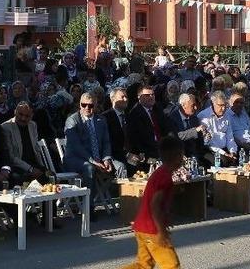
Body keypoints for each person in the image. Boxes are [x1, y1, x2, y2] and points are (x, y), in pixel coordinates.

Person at [120, 135, 184, 269]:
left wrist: (166, 218)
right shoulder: (164, 177)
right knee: (171, 265)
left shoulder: (160, 173)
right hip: (152, 230)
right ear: (178, 156)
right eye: (182, 156)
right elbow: (154, 205)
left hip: (141, 227)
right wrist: (160, 231)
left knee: (143, 265)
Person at [64, 92, 125, 195]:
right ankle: (89, 205)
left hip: (99, 159)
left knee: (120, 167)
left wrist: (106, 159)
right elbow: (76, 147)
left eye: (91, 105)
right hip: (77, 159)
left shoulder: (101, 119)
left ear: (96, 106)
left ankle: (122, 199)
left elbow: (106, 142)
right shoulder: (72, 120)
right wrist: (93, 161)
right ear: (80, 105)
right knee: (89, 168)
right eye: (84, 105)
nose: (87, 108)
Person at [1, 101, 48, 182]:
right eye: (20, 114)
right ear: (15, 112)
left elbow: (36, 149)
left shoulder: (33, 125)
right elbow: (11, 157)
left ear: (32, 116)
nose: (23, 118)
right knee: (23, 178)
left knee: (51, 177)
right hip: (18, 166)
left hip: (33, 163)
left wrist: (42, 167)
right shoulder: (6, 127)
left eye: (27, 116)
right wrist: (31, 169)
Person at [197, 91, 238, 167]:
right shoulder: (204, 116)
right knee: (223, 161)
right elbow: (209, 143)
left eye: (225, 105)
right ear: (213, 104)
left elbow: (230, 137)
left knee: (237, 159)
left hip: (225, 149)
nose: (223, 108)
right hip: (211, 149)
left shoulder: (226, 115)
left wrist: (232, 152)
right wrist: (225, 154)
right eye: (220, 105)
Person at [166, 93, 206, 163]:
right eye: (193, 105)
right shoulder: (172, 118)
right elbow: (176, 136)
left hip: (194, 153)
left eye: (196, 105)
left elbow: (198, 140)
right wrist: (195, 131)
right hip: (179, 153)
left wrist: (204, 135)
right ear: (183, 105)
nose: (195, 108)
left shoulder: (193, 118)